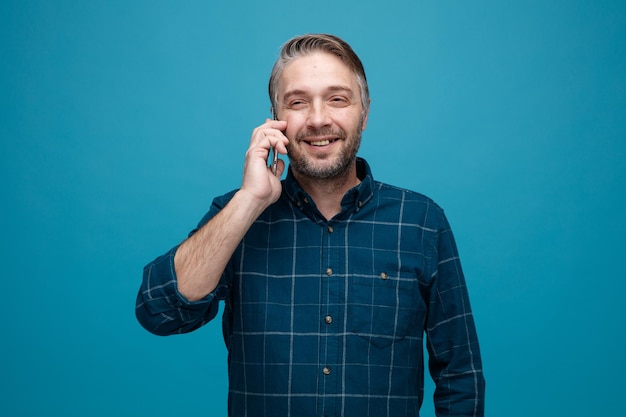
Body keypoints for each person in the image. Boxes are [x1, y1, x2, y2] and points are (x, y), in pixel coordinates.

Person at [136, 33, 485, 417]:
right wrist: (249, 200)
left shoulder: (421, 222)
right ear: (274, 120)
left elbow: (460, 376)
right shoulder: (236, 215)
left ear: (364, 113)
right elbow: (159, 313)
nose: (319, 120)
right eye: (298, 102)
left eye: (337, 99)